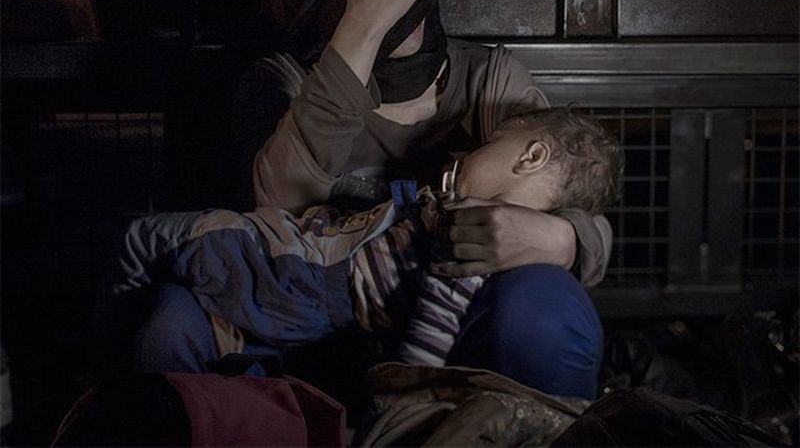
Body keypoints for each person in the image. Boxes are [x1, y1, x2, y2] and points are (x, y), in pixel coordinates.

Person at [234, 0, 612, 287]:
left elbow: (573, 195)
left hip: (444, 322)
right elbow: (278, 212)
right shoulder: (283, 81)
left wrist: (564, 241)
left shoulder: (487, 80)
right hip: (323, 307)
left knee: (545, 296)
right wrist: (364, 23)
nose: (402, 2)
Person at [117, 108, 622, 400]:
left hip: (294, 274)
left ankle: (99, 385)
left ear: (532, 156)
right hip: (298, 263)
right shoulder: (456, 208)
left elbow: (435, 325)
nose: (462, 155)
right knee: (163, 287)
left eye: (487, 144)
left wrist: (398, 398)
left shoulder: (471, 235)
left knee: (142, 239)